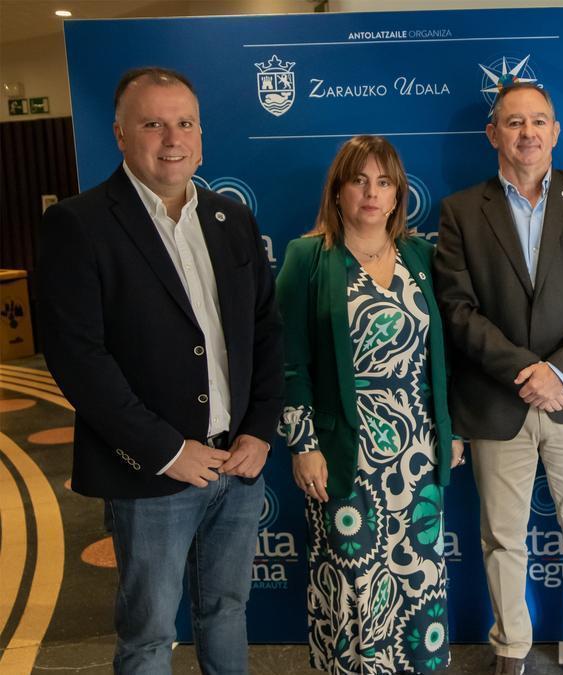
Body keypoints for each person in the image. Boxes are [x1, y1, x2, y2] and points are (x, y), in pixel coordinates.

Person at [37, 67, 283, 673]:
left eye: (185, 123)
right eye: (154, 123)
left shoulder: (232, 221)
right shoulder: (80, 223)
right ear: (120, 134)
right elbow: (78, 359)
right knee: (148, 635)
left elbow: (265, 334)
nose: (173, 138)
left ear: (200, 134)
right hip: (151, 474)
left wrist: (259, 429)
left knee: (227, 610)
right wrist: (168, 450)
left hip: (238, 463)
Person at [433, 83, 563, 675]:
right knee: (501, 536)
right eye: (514, 123)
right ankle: (510, 646)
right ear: (494, 134)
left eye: (539, 121)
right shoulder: (461, 210)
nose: (528, 134)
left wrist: (558, 370)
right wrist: (527, 371)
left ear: (556, 130)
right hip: (498, 400)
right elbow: (458, 309)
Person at [275, 135, 463, 674]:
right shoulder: (308, 257)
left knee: (418, 577)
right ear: (337, 192)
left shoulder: (422, 256)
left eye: (384, 182)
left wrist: (450, 433)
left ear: (399, 193)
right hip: (343, 452)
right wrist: (303, 445)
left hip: (418, 451)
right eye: (359, 180)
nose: (371, 192)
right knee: (355, 579)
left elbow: (442, 359)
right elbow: (292, 364)